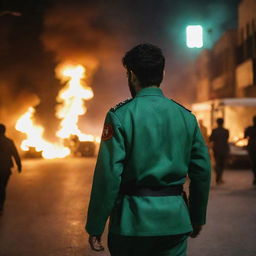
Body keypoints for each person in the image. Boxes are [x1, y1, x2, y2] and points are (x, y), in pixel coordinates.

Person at [85, 44, 211, 256]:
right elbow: (202, 171)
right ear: (162, 73)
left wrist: (96, 225)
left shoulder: (120, 116)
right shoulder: (186, 117)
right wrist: (197, 217)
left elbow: (108, 176)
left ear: (132, 75)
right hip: (175, 222)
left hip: (131, 223)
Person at [0, 123, 22, 214]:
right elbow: (15, 154)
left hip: (4, 168)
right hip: (6, 168)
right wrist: (19, 165)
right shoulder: (9, 142)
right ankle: (1, 205)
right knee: (2, 187)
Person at [209, 118, 229, 185]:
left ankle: (218, 177)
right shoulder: (226, 131)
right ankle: (219, 178)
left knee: (217, 163)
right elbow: (227, 139)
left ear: (217, 123)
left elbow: (211, 139)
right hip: (224, 149)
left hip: (216, 150)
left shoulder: (214, 131)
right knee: (222, 164)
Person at [244, 116, 256, 185]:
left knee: (253, 163)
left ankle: (255, 177)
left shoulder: (249, 129)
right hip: (252, 147)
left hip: (252, 147)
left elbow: (245, 136)